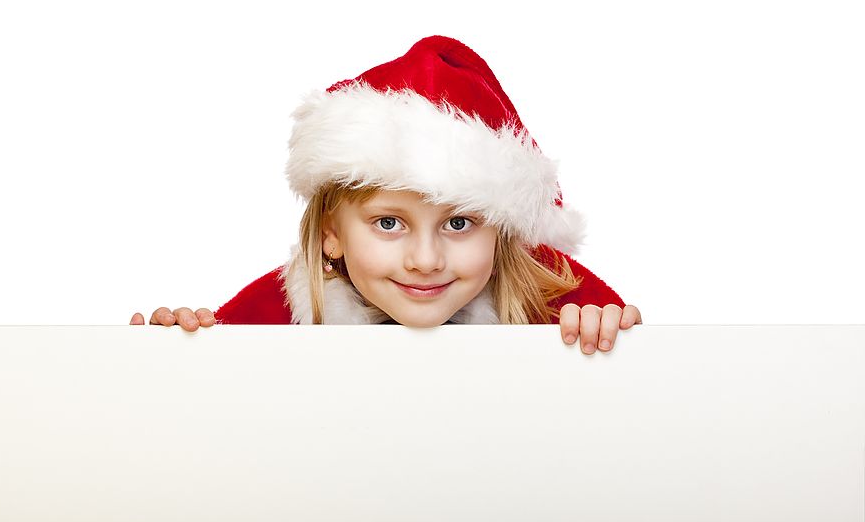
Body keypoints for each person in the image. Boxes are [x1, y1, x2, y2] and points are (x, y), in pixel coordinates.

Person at [131, 35, 641, 354]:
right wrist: (183, 347)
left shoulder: (551, 290)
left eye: (459, 223)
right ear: (332, 233)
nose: (425, 260)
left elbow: (651, 390)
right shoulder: (280, 306)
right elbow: (203, 408)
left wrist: (607, 330)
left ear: (501, 228)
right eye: (389, 223)